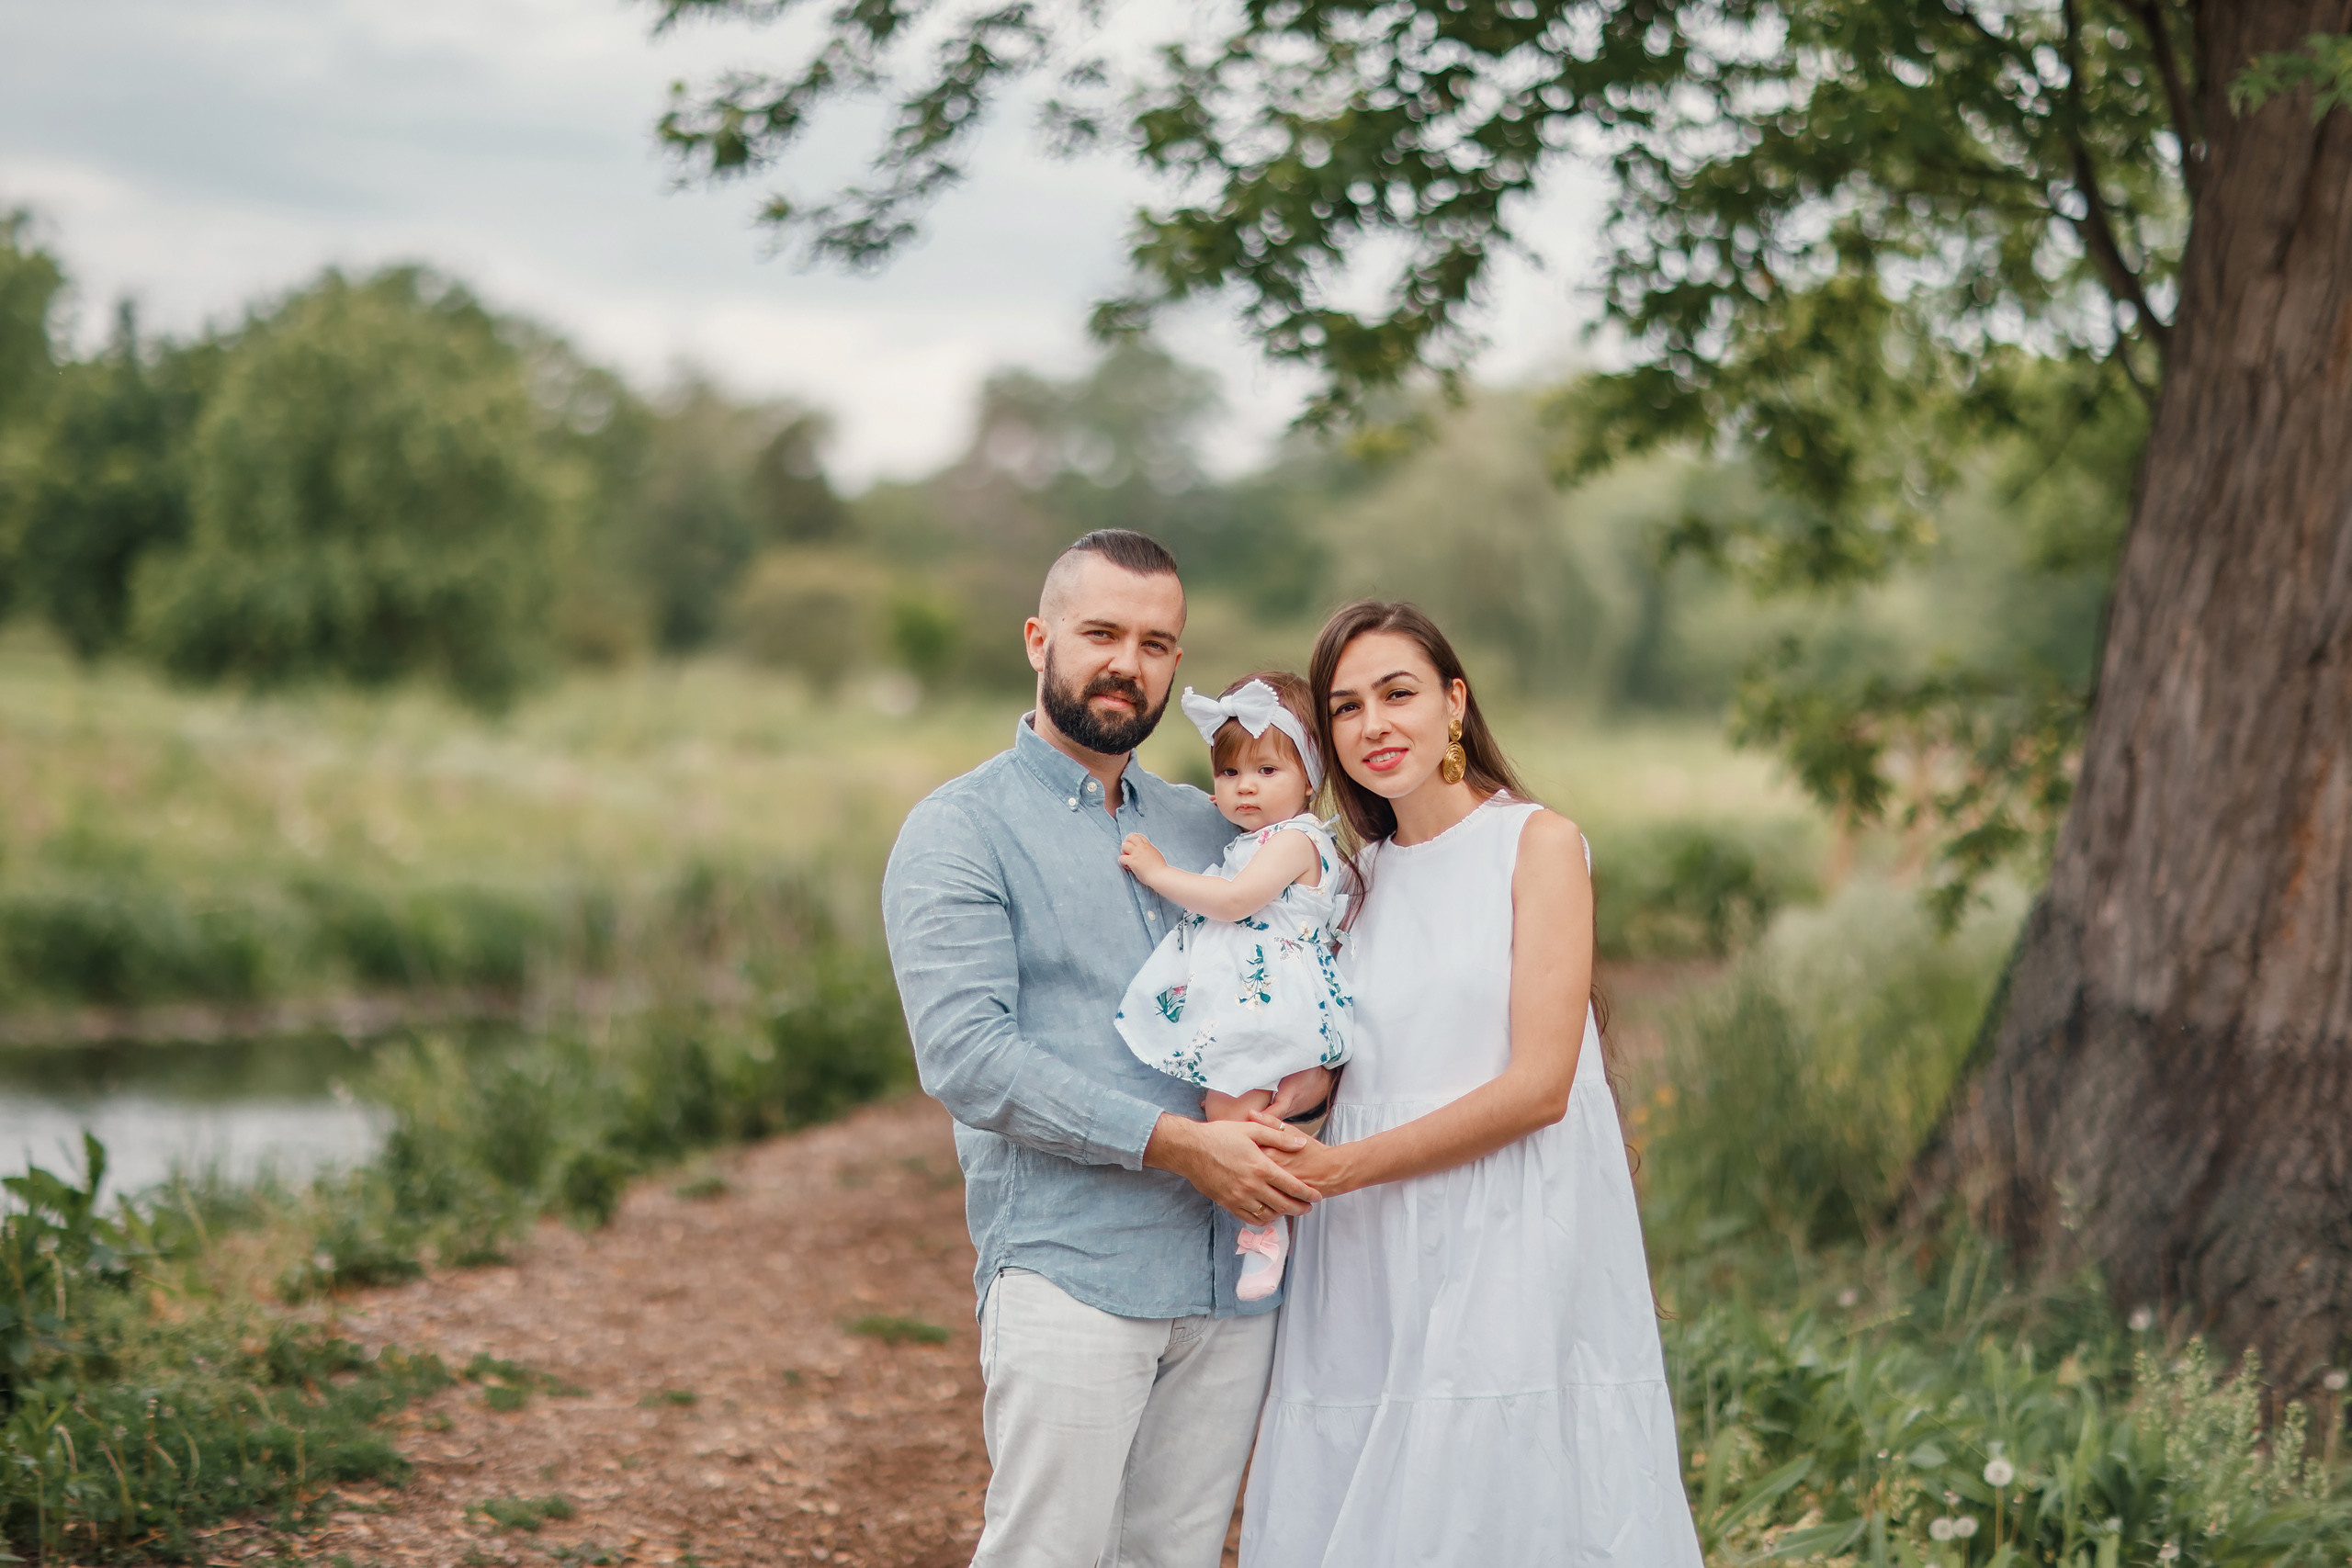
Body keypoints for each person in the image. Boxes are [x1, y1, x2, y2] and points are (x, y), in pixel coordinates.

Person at [881, 529, 1333, 1568]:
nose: (1127, 663)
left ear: (1177, 664)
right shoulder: (959, 831)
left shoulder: (1215, 829)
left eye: (1156, 642)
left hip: (1234, 1280)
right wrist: (1175, 1143)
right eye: (1100, 633)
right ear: (1040, 639)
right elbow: (966, 1057)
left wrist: (1299, 1110)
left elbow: (1305, 983)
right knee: (1048, 1554)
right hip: (1072, 1267)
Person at [1239, 599, 1703, 1566]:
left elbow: (1541, 1085)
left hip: (1504, 1226)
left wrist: (1342, 1167)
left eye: (1397, 693)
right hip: (1366, 1250)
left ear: (1454, 703)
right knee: (1365, 1488)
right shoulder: (1347, 880)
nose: (1375, 726)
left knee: (1491, 1494)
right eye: (1346, 707)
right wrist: (1271, 1120)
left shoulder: (1535, 844)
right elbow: (1334, 1056)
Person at [1114, 671, 1354, 1303]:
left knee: (1231, 1108)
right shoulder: (1259, 839)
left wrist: (1160, 873)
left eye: (1267, 771)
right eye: (1227, 774)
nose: (1244, 786)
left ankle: (1265, 1222)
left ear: (1310, 777)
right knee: (1233, 1105)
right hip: (1258, 987)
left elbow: (1235, 901)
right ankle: (1264, 1215)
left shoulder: (1296, 838)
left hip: (1274, 995)